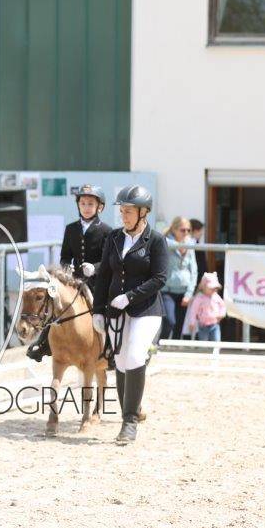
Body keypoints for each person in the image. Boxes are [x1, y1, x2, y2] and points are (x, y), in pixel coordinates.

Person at [93, 185, 167, 445]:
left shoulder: (155, 240)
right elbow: (104, 276)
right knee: (121, 361)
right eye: (122, 211)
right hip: (115, 310)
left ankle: (130, 422)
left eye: (128, 211)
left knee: (135, 356)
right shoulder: (114, 237)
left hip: (146, 309)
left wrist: (130, 296)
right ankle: (131, 409)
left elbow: (160, 278)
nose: (123, 216)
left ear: (143, 213)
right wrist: (98, 310)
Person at [26, 184, 111, 361]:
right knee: (54, 302)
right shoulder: (71, 228)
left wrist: (94, 268)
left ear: (99, 207)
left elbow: (108, 260)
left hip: (96, 281)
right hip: (74, 279)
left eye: (90, 204)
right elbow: (65, 256)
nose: (86, 207)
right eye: (83, 203)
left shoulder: (106, 231)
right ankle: (43, 343)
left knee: (105, 308)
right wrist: (66, 268)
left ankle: (109, 347)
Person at [162, 217, 198, 340]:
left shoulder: (190, 246)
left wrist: (189, 294)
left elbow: (193, 271)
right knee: (169, 321)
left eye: (188, 230)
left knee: (179, 326)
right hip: (167, 290)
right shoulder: (165, 243)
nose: (186, 233)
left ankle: (173, 348)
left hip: (183, 291)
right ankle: (160, 344)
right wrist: (181, 245)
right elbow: (166, 242)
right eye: (183, 230)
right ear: (174, 229)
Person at [183, 272, 226, 342]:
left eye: (215, 288)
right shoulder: (199, 298)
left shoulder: (216, 297)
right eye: (211, 288)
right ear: (204, 287)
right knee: (203, 342)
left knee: (216, 341)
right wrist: (192, 322)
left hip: (214, 324)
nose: (214, 290)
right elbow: (193, 311)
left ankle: (215, 349)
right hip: (203, 325)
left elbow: (222, 306)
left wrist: (221, 314)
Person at [190, 218, 207, 282]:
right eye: (200, 231)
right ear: (195, 231)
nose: (201, 234)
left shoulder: (198, 245)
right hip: (194, 278)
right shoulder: (185, 245)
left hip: (197, 278)